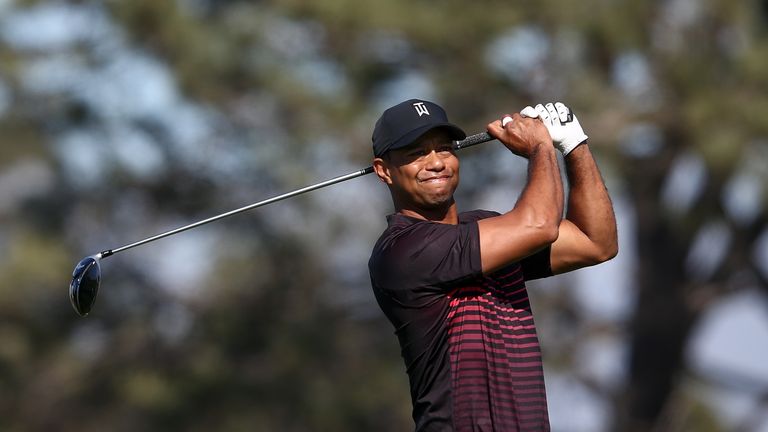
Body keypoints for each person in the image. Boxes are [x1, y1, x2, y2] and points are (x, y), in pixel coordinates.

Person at [368, 99, 618, 431]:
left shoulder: (488, 231)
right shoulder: (403, 250)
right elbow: (539, 226)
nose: (435, 163)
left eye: (443, 149)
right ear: (384, 170)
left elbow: (595, 242)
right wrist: (541, 147)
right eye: (416, 153)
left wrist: (574, 146)